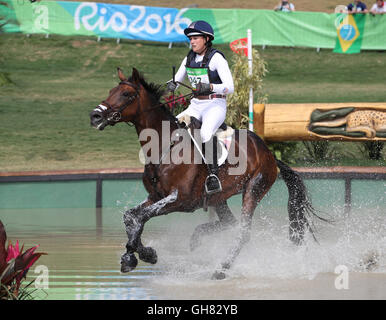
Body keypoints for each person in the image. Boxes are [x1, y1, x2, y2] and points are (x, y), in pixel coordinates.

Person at [166, 20, 234, 194]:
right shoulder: (189, 58)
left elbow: (230, 87)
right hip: (196, 105)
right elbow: (177, 79)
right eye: (190, 38)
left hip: (215, 104)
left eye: (196, 38)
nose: (192, 41)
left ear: (206, 39)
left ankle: (213, 176)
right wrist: (172, 85)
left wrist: (211, 87)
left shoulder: (216, 58)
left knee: (204, 133)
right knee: (172, 128)